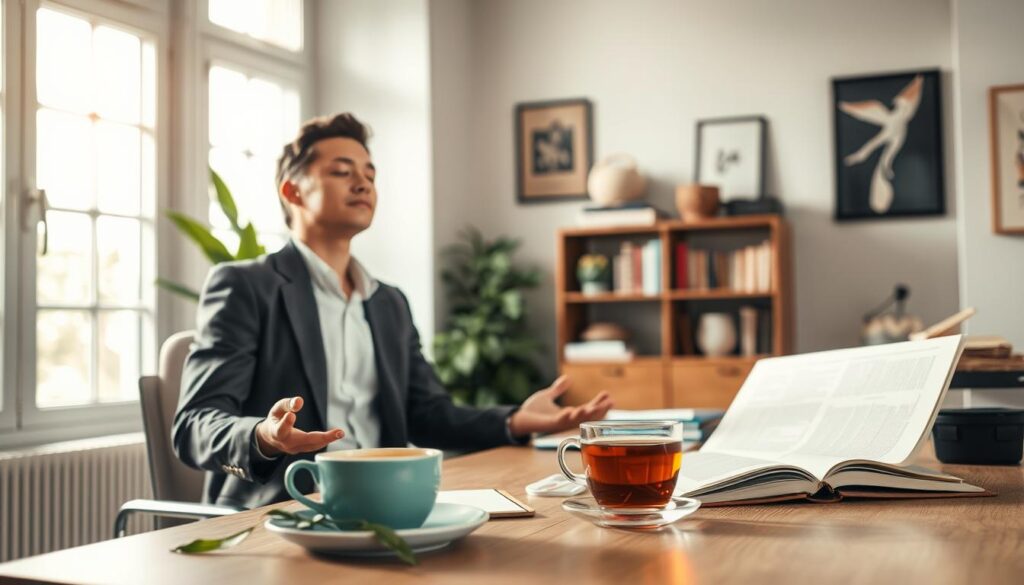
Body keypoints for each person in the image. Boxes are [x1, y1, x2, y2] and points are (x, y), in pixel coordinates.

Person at [172, 113, 613, 508]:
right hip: (284, 506)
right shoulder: (246, 286)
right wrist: (263, 437)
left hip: (386, 501)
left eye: (369, 173)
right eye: (342, 172)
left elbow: (428, 414)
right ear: (293, 191)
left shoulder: (388, 303)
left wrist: (515, 418)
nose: (362, 183)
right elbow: (194, 424)